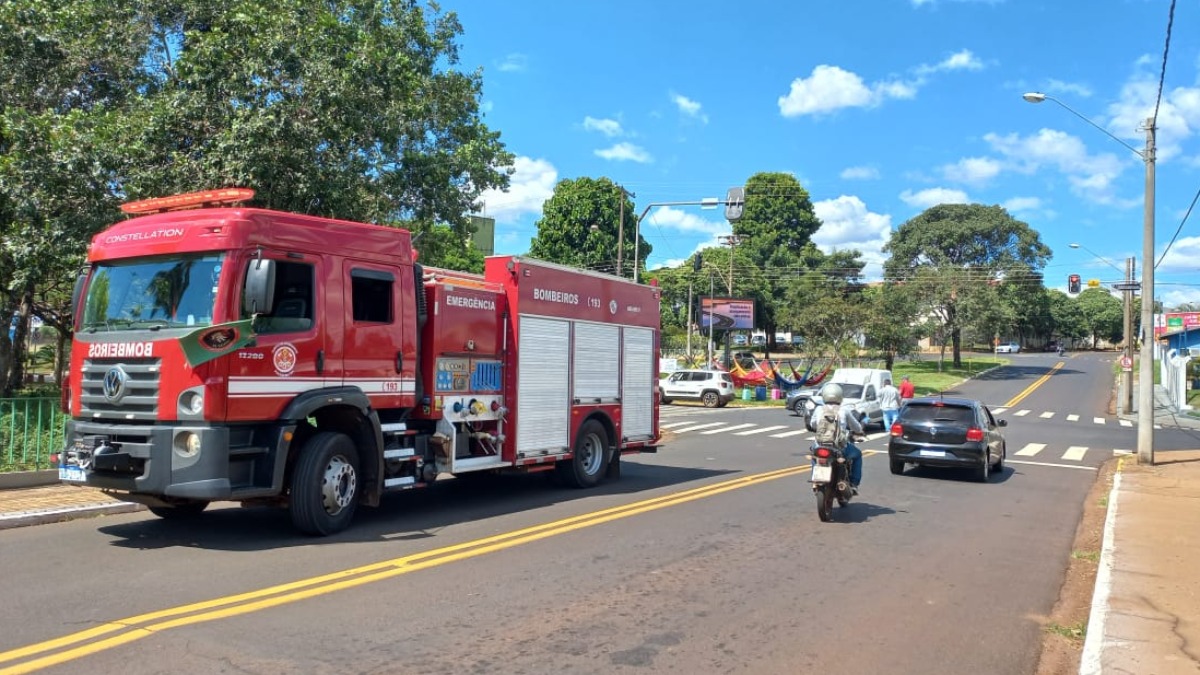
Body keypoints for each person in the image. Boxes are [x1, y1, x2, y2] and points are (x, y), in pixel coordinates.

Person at [813, 383, 865, 493]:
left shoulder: (818, 409)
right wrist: (859, 431)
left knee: (814, 455)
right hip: (839, 448)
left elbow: (813, 424)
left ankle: (815, 480)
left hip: (820, 445)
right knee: (858, 455)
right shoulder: (844, 410)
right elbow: (856, 427)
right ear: (840, 396)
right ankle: (854, 483)